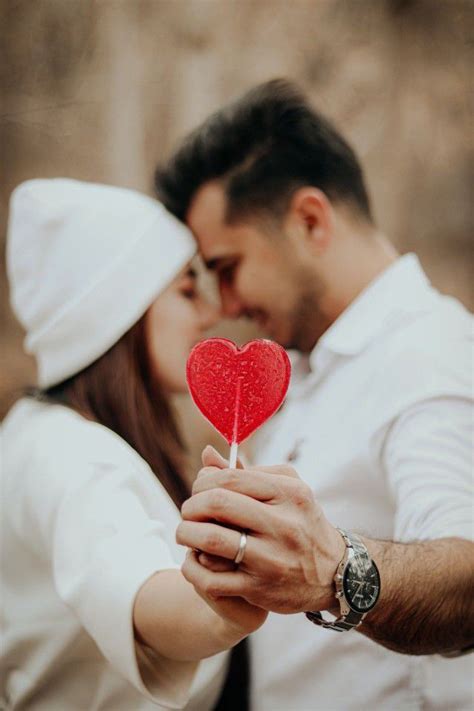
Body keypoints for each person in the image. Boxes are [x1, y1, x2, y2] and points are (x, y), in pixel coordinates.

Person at [155, 79, 474, 710]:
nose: (228, 304)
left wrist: (333, 571)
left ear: (309, 220)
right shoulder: (307, 365)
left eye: (227, 267)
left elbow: (469, 583)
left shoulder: (430, 354)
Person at [0, 178, 266, 710]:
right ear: (118, 312)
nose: (211, 315)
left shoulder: (35, 429)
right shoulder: (69, 454)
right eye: (187, 291)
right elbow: (135, 594)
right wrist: (227, 600)